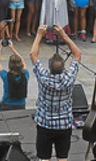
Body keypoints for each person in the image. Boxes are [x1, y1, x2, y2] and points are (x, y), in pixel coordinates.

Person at [30, 25, 82, 161]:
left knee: (44, 158)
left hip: (45, 124)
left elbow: (33, 55)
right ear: (63, 68)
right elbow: (77, 54)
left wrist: (39, 35)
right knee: (62, 157)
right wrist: (64, 35)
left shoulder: (44, 78)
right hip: (64, 124)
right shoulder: (68, 78)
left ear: (49, 67)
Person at [0, 40, 28, 111]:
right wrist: (13, 48)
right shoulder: (25, 75)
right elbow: (23, 61)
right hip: (21, 105)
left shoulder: (6, 76)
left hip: (7, 105)